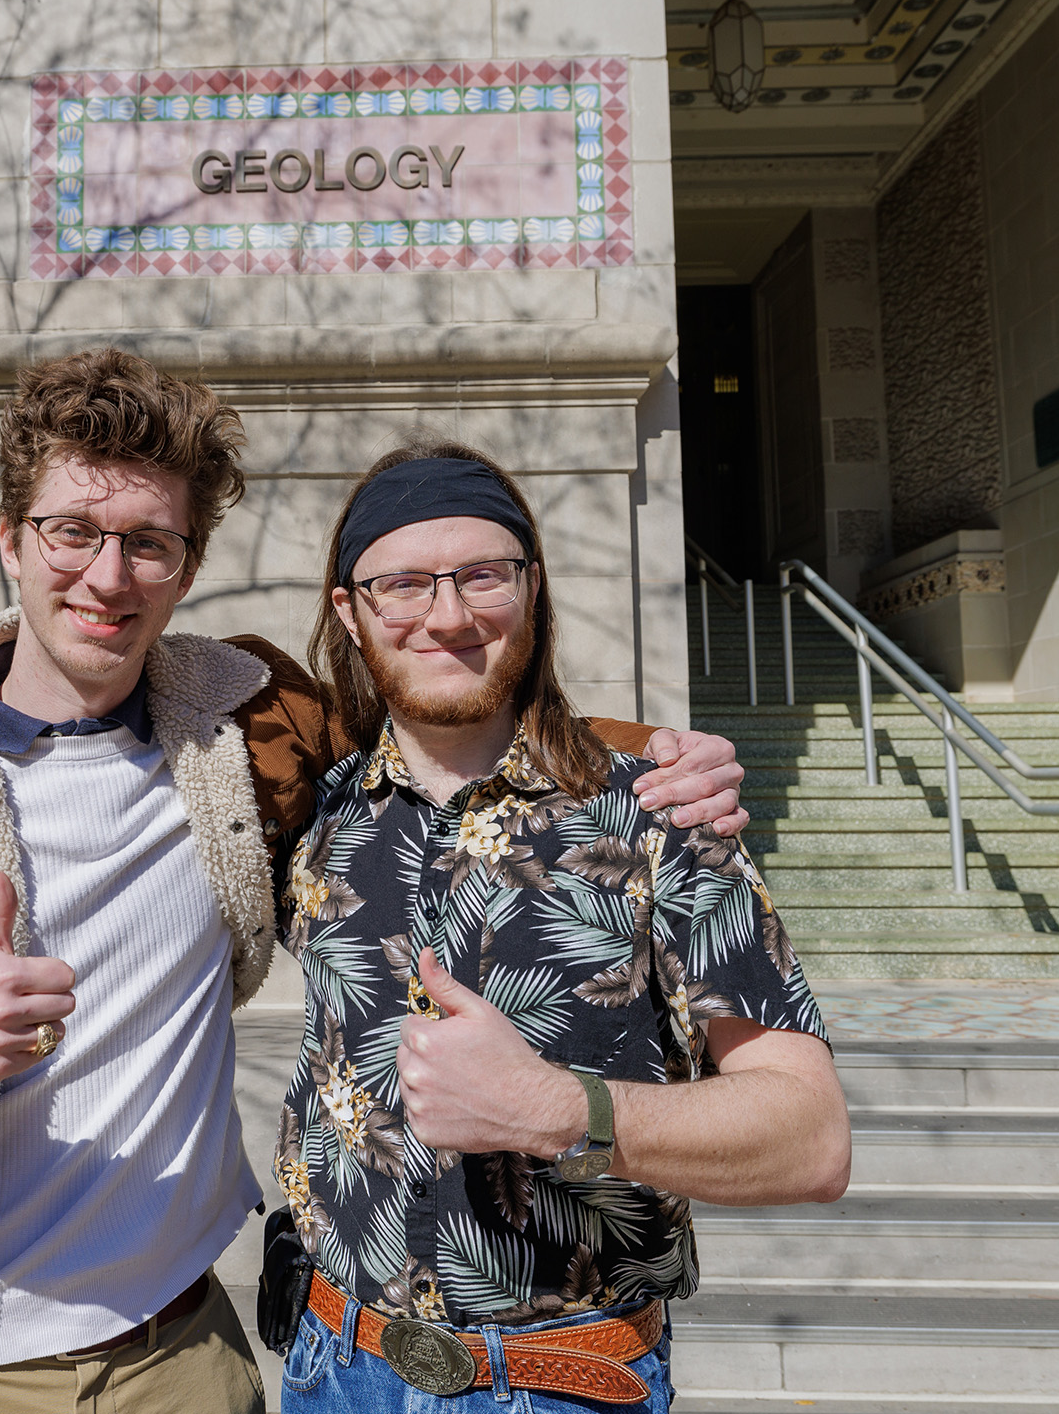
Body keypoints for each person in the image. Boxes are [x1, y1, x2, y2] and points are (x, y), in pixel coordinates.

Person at [0, 348, 749, 1414]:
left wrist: (650, 760)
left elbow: (446, 713)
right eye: (73, 531)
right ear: (12, 540)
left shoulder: (252, 726)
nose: (108, 578)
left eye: (148, 544)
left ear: (189, 563)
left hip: (182, 1356)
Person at [268, 442, 849, 1412]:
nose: (447, 616)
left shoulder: (661, 817)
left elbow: (811, 1136)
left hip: (557, 1387)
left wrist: (561, 1111)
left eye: (482, 575)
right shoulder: (316, 820)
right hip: (334, 1368)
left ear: (533, 588)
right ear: (350, 612)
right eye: (403, 583)